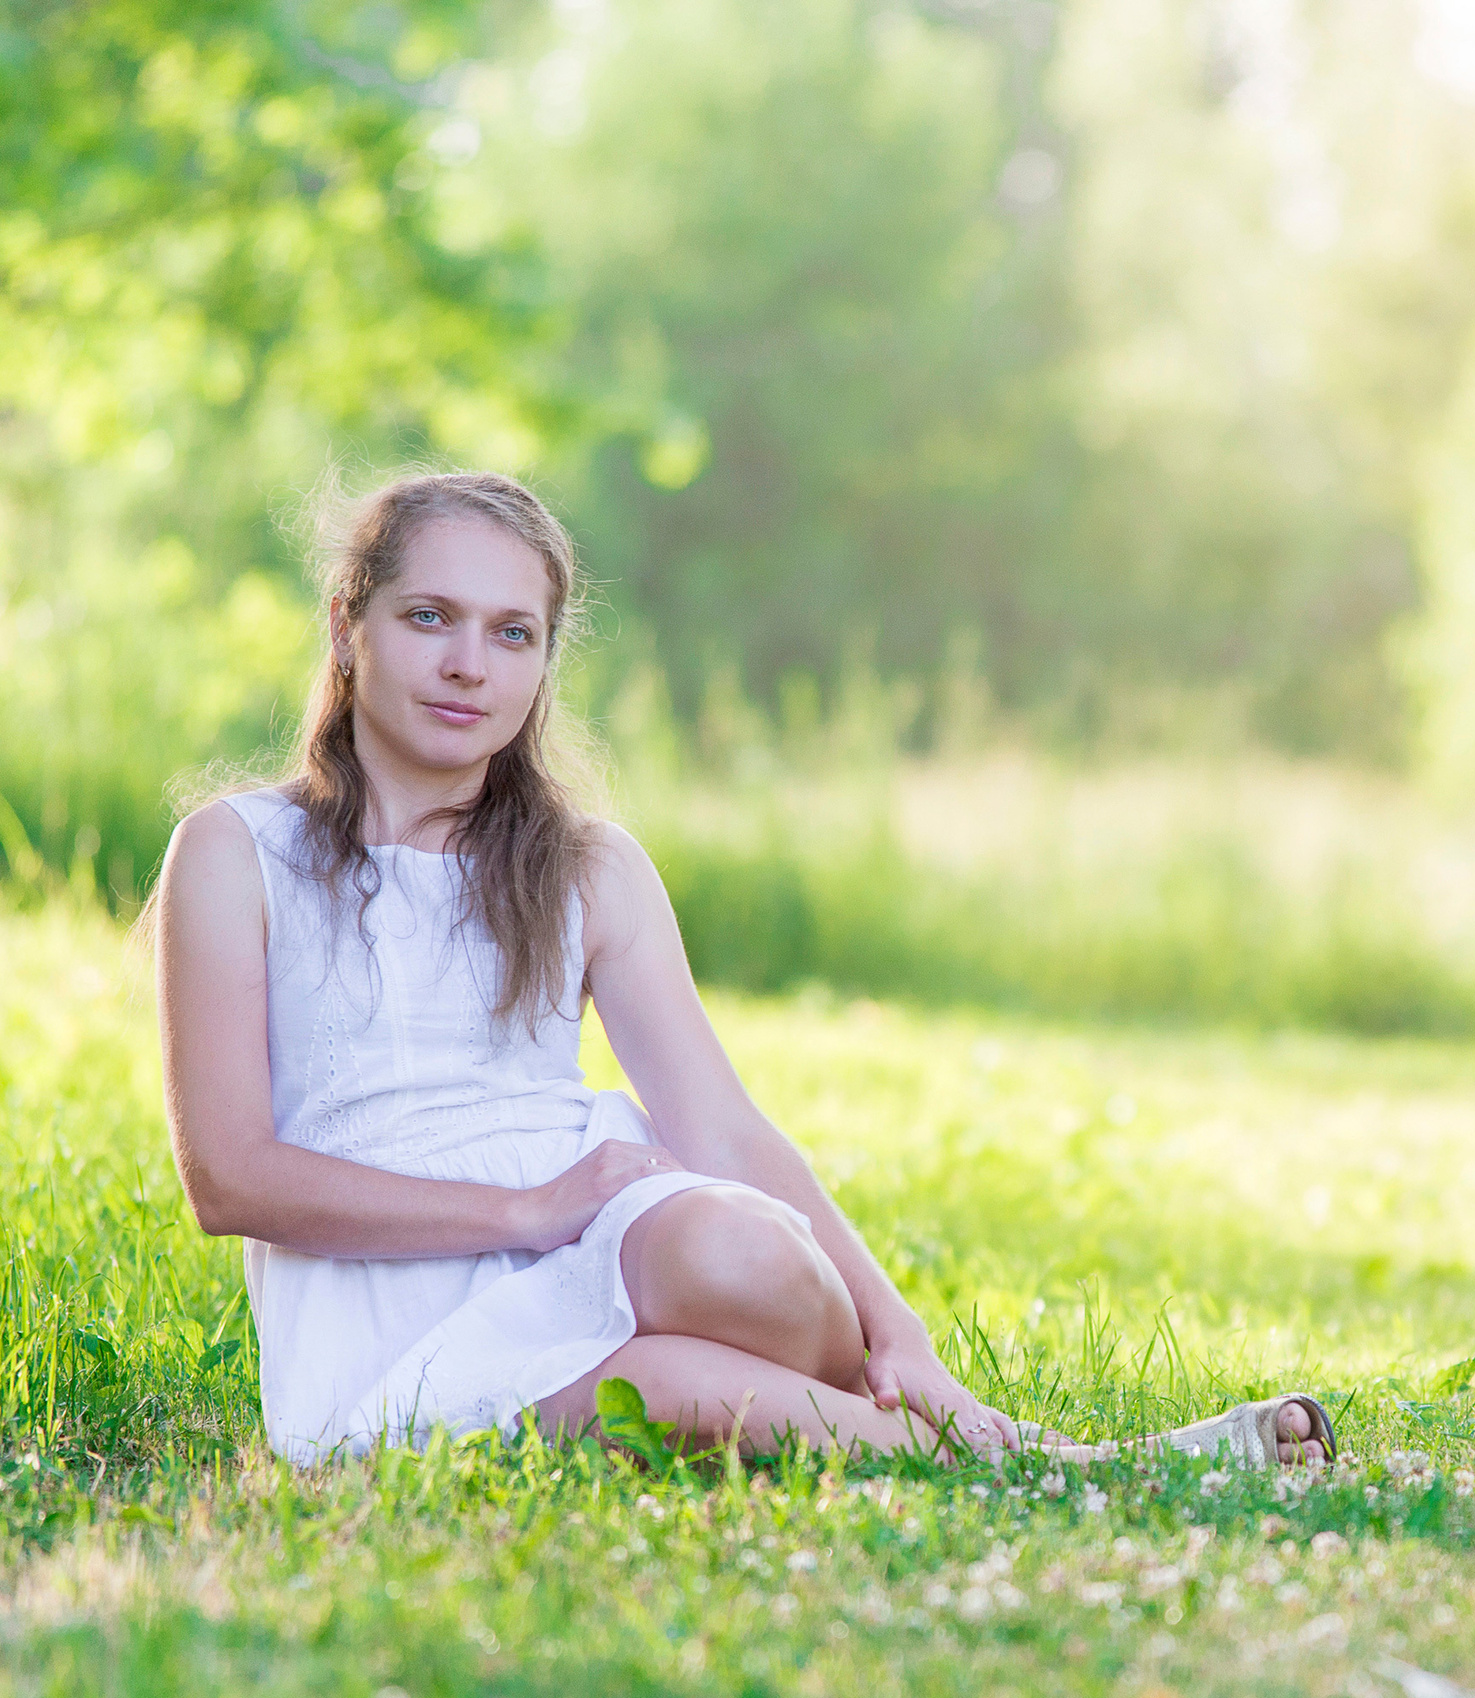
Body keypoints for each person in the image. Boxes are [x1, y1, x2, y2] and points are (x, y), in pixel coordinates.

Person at [152, 469, 1330, 1470]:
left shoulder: (586, 869)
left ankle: (933, 1410)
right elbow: (232, 1180)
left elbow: (724, 1128)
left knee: (739, 1246)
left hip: (598, 1229)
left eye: (513, 633)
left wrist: (897, 1325)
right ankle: (1055, 1466)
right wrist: (526, 1209)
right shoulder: (239, 853)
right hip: (385, 1303)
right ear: (346, 625)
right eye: (429, 619)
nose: (471, 665)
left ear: (543, 660)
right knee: (665, 1393)